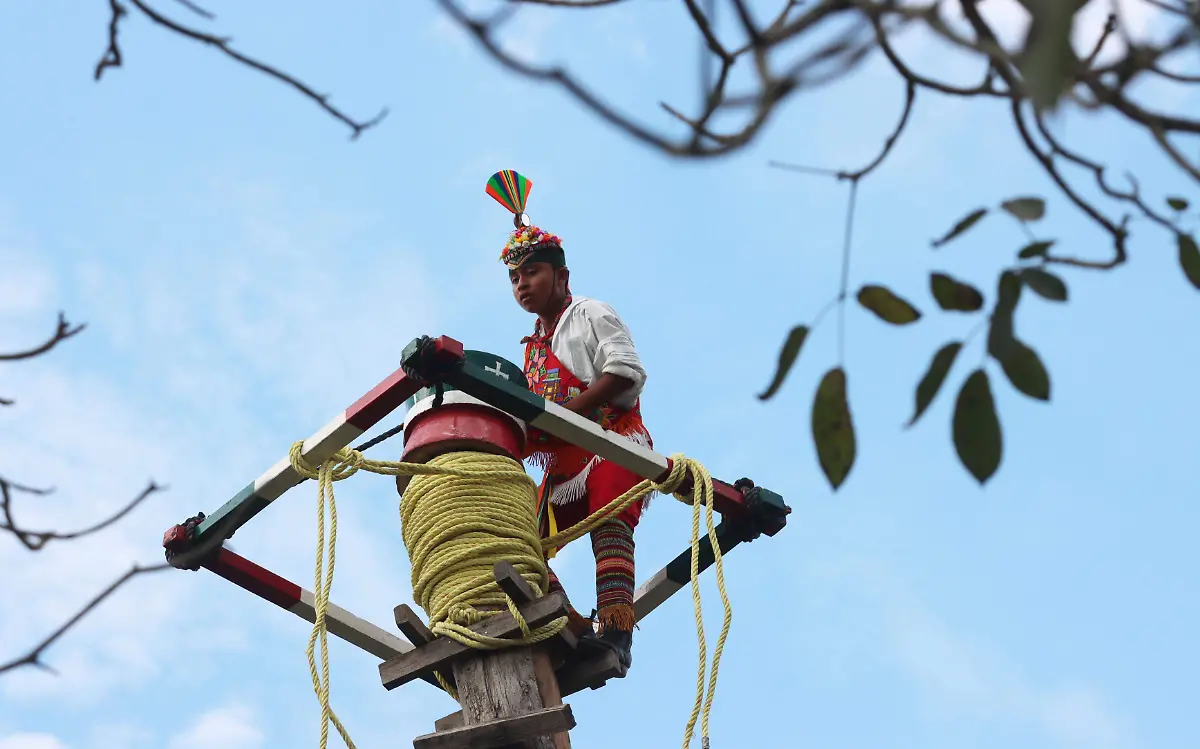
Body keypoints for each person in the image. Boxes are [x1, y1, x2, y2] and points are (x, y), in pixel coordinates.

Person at [487, 170, 651, 670]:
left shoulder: (590, 312)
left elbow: (625, 373)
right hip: (564, 470)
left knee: (610, 525)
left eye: (532, 272)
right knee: (518, 540)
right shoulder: (532, 348)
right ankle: (570, 628)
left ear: (562, 277)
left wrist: (561, 417)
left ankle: (616, 636)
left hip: (612, 443)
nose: (522, 284)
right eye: (514, 278)